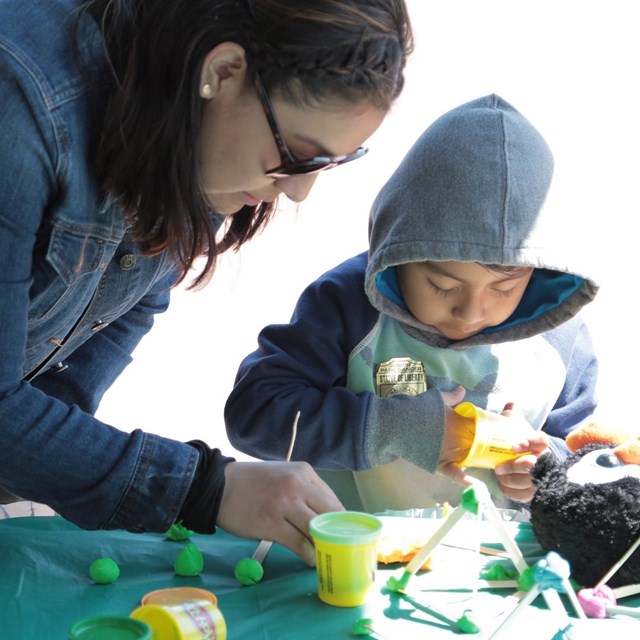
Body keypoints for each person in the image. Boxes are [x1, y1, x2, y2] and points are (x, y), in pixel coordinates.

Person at [0, 0, 414, 566]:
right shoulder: (20, 100)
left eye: (326, 166)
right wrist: (206, 488)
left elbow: (130, 298)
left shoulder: (203, 129)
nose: (296, 192)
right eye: (296, 157)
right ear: (222, 72)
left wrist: (40, 459)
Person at [225, 94, 600, 514]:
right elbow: (254, 415)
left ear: (536, 274)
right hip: (350, 558)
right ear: (397, 256)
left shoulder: (559, 339)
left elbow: (593, 461)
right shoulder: (348, 305)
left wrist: (550, 466)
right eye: (442, 285)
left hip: (504, 570)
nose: (471, 313)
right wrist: (395, 427)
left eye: (503, 289)